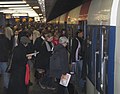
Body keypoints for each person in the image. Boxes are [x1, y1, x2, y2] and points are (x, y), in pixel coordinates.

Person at [0, 25, 11, 92]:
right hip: (4, 58)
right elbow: (9, 48)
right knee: (5, 74)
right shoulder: (6, 39)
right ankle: (7, 87)